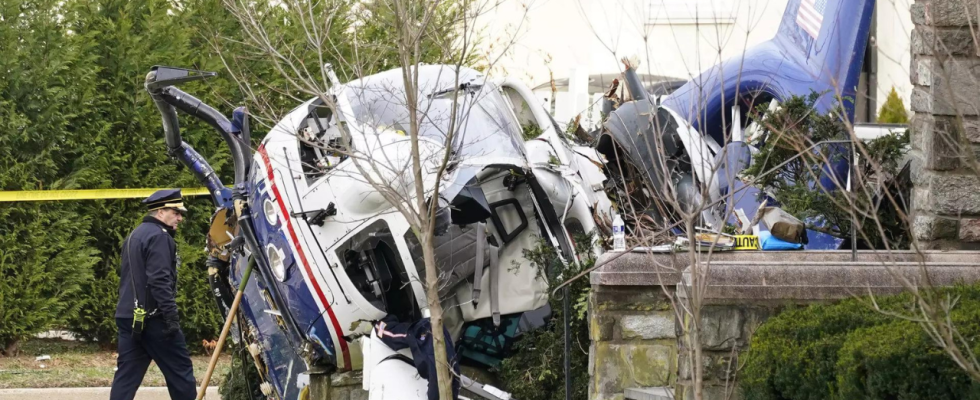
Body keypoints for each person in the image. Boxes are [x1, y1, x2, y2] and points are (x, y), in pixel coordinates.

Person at [110, 189, 196, 400]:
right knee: (181, 372)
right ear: (160, 212)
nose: (180, 218)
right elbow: (159, 281)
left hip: (128, 317)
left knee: (127, 376)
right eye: (176, 213)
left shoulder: (135, 234)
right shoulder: (159, 237)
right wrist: (171, 317)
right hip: (154, 319)